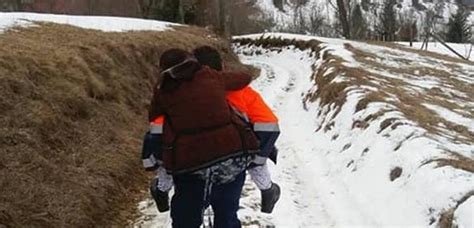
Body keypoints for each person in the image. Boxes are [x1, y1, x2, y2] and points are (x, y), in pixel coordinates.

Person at [144, 46, 282, 215]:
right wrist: (255, 158)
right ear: (222, 66)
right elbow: (268, 125)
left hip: (189, 161)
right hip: (233, 156)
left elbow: (158, 131)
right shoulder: (241, 92)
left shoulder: (176, 95)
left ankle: (162, 190)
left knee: (169, 152)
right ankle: (267, 189)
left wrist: (160, 160)